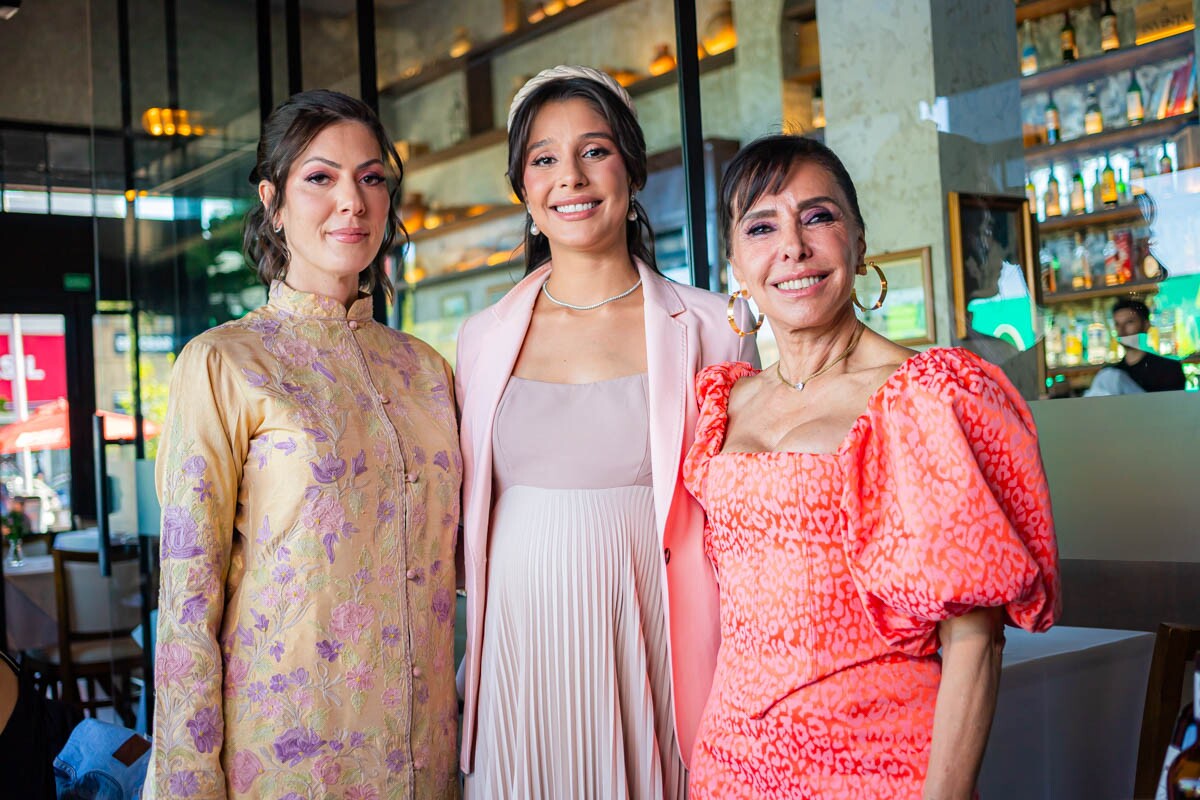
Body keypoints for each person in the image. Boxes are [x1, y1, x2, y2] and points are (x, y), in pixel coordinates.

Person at [681, 134, 1061, 798]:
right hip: (731, 761)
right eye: (762, 226)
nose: (793, 247)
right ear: (736, 265)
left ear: (858, 243)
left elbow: (975, 639)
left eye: (818, 217)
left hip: (879, 761)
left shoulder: (920, 398)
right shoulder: (720, 400)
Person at [147, 90, 461, 799]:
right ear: (274, 201)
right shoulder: (224, 363)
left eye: (372, 177)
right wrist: (190, 782)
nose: (352, 200)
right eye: (320, 177)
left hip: (426, 752)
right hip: (290, 760)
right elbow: (188, 603)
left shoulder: (425, 370)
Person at [455, 65, 758, 798]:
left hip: (656, 634)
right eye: (544, 159)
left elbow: (741, 517)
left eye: (594, 151)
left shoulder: (716, 326)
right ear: (524, 192)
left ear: (630, 169)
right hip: (519, 645)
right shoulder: (480, 338)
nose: (571, 177)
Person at [1110, 297, 1185, 392]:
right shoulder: (1112, 373)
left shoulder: (1168, 369)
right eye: (1117, 324)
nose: (1122, 330)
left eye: (1129, 322)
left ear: (1146, 325)